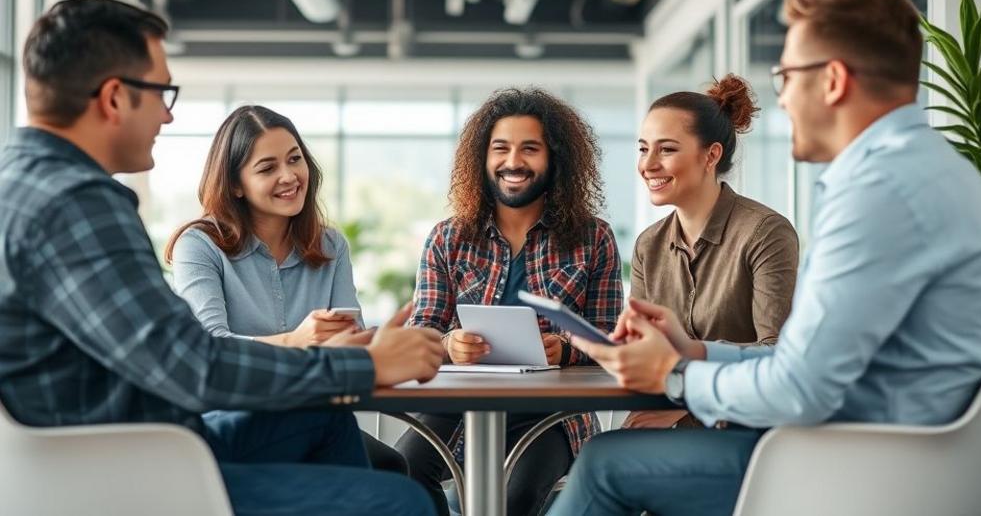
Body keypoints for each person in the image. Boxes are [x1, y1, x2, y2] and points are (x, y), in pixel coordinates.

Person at [547, 0, 981, 516]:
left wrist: (673, 377)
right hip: (894, 448)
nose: (780, 97)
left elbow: (800, 388)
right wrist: (696, 351)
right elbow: (809, 361)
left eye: (786, 76)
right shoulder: (931, 170)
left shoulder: (878, 190)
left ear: (832, 81)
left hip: (867, 462)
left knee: (602, 465)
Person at [0, 0, 442, 516]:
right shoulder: (76, 203)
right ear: (115, 98)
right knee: (402, 500)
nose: (167, 113)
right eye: (162, 92)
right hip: (126, 472)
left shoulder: (25, 182)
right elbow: (193, 364)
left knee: (326, 417)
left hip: (129, 447)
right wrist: (360, 365)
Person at [397, 88, 624, 516]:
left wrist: (568, 351)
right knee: (403, 470)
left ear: (554, 159)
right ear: (483, 159)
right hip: (458, 406)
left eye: (530, 149)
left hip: (551, 416)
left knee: (514, 499)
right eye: (500, 148)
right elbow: (423, 326)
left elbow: (610, 339)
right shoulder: (448, 238)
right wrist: (448, 344)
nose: (514, 162)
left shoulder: (594, 238)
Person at [166, 104, 408, 475]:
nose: (290, 176)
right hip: (231, 420)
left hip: (315, 410)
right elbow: (209, 345)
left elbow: (350, 337)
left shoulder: (331, 245)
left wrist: (375, 343)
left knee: (395, 467)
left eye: (295, 159)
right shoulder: (199, 245)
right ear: (235, 184)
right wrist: (295, 341)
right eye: (267, 168)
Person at [625, 74, 797, 429]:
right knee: (600, 454)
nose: (648, 164)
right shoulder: (649, 245)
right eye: (644, 148)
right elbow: (647, 351)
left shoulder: (765, 232)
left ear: (711, 155)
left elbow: (779, 355)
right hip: (665, 418)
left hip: (743, 429)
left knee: (601, 463)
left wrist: (690, 403)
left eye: (667, 149)